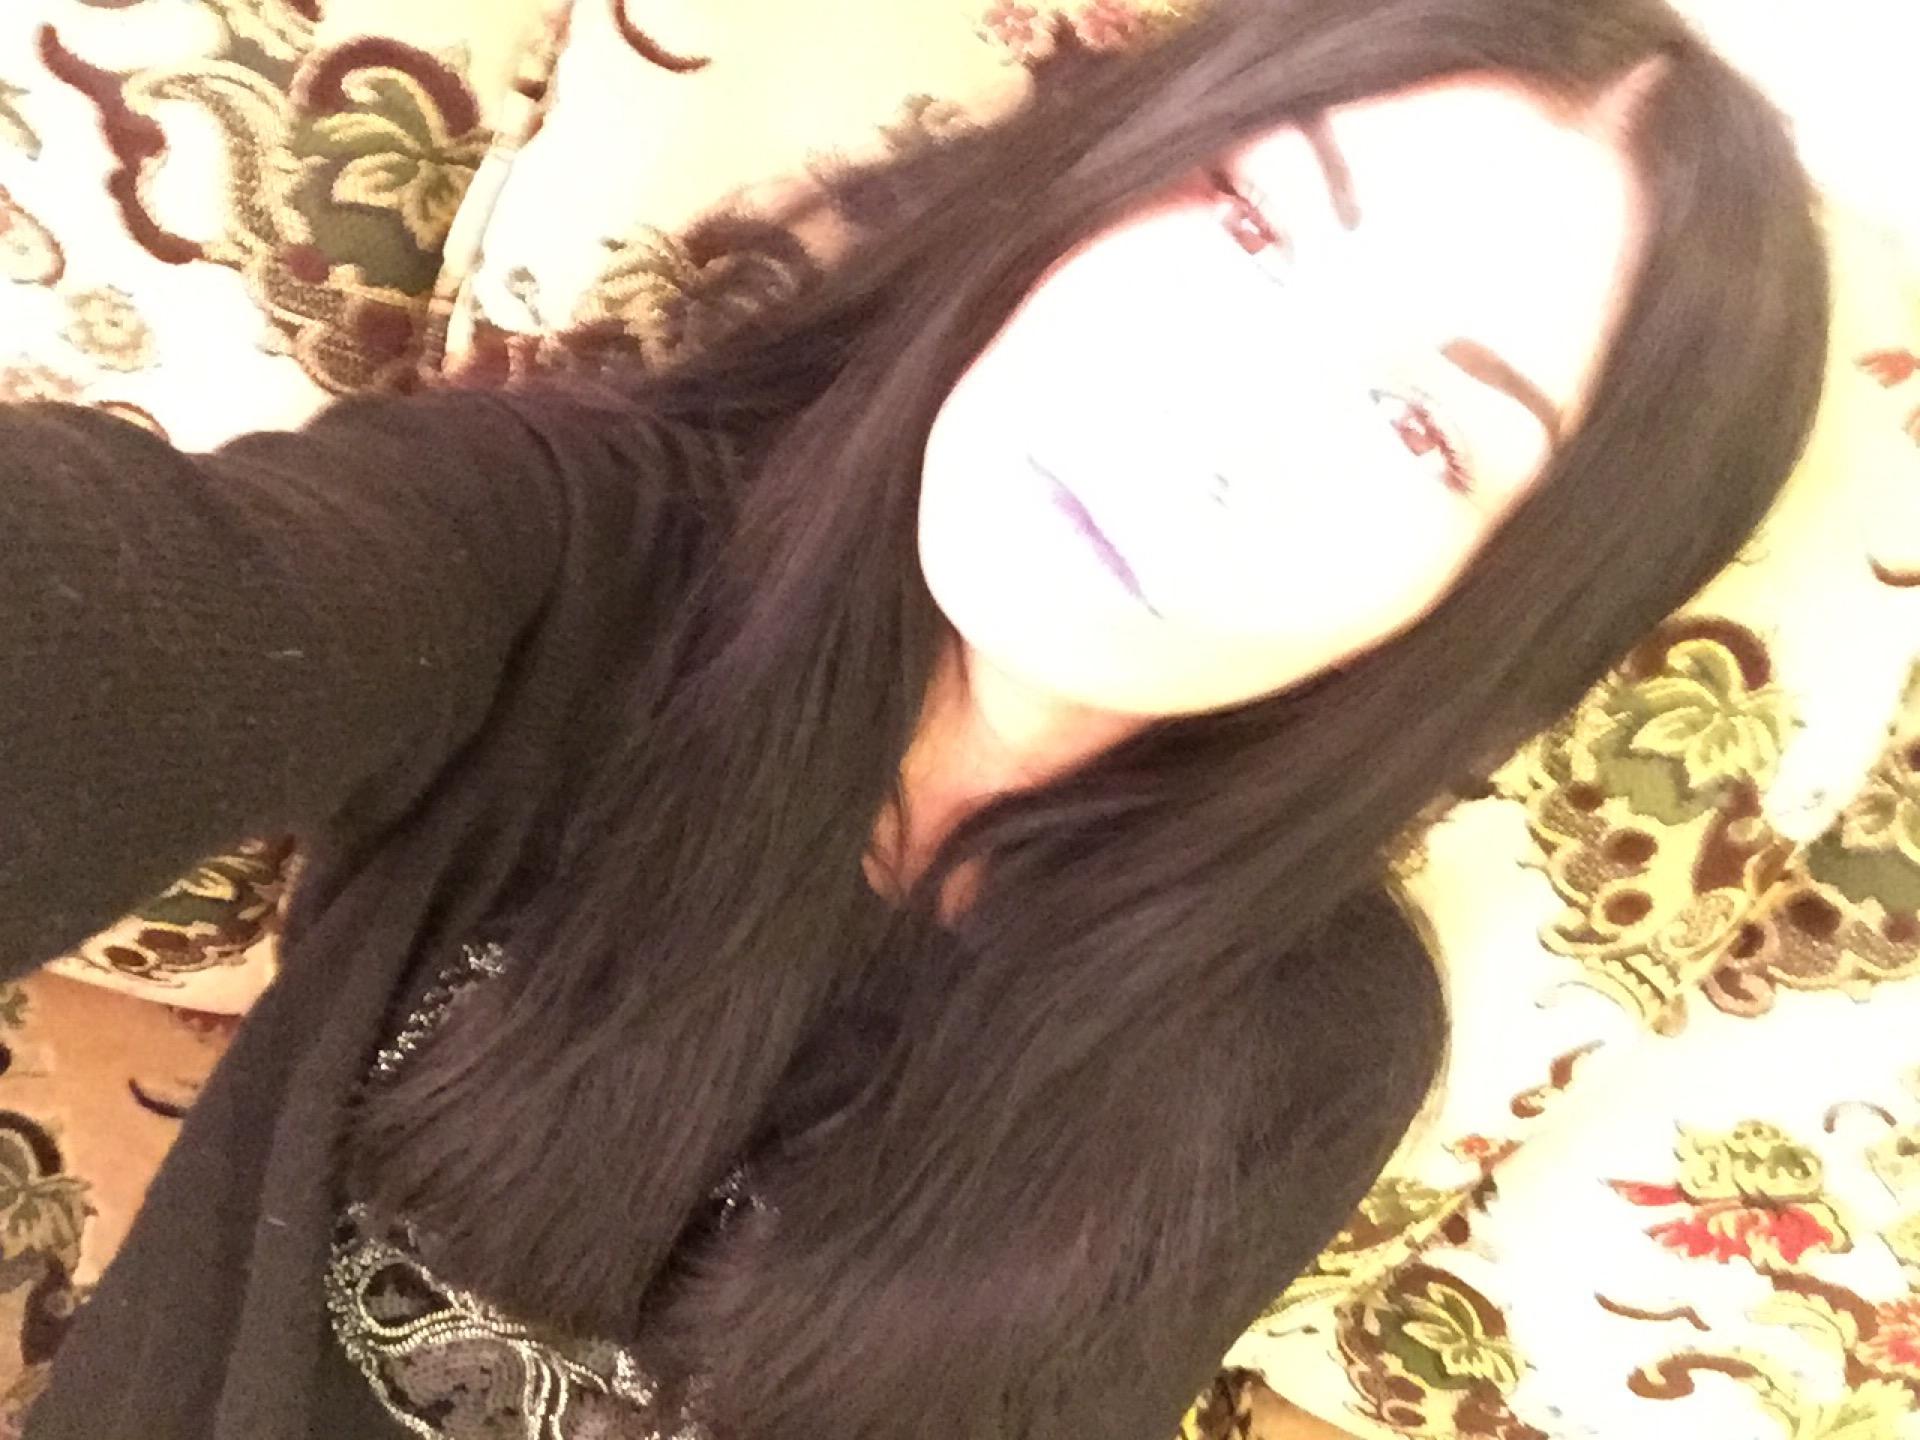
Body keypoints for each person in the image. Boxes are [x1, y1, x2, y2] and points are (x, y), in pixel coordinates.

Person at [0, 0, 1828, 1435]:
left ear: (1487, 611)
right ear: (1102, 184)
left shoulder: (1308, 1043)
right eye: (1251, 221)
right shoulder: (557, 554)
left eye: (1422, 430)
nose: (1212, 420)